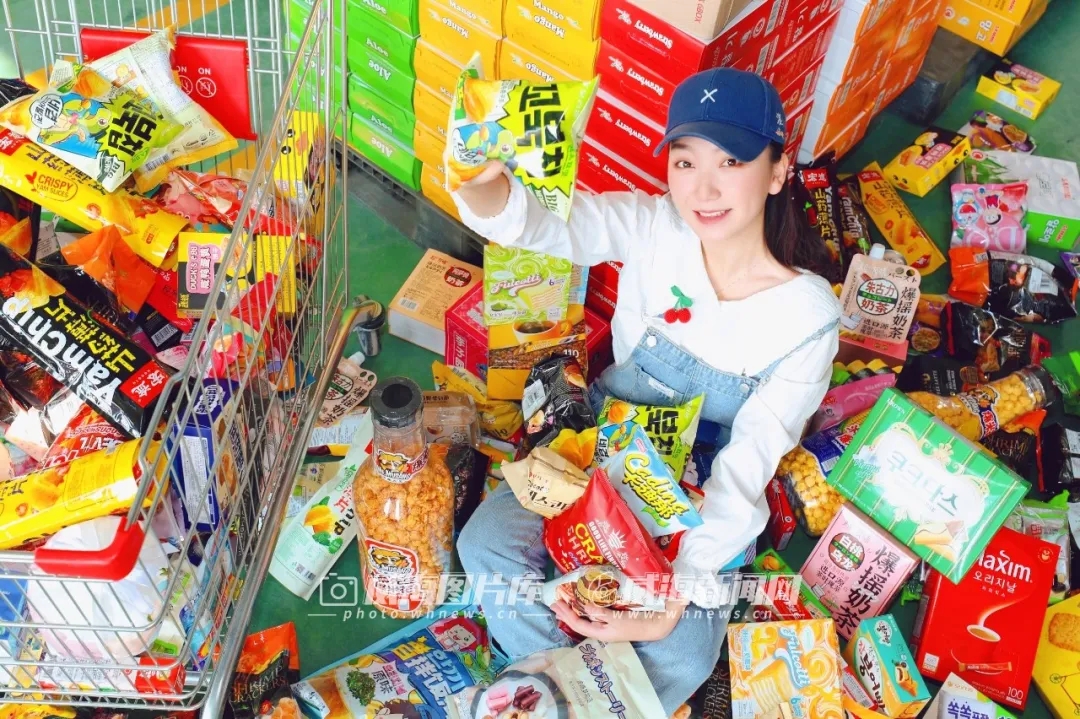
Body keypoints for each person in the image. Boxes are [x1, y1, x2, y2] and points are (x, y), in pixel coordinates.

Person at [454, 67, 841, 716]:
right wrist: (483, 170)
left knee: (685, 652)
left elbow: (747, 464)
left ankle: (549, 680)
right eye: (684, 161)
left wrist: (672, 597)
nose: (704, 188)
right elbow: (546, 227)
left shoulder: (808, 316)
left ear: (778, 170)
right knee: (486, 544)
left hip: (702, 485)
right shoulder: (653, 225)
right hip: (599, 443)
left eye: (731, 160)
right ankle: (558, 693)